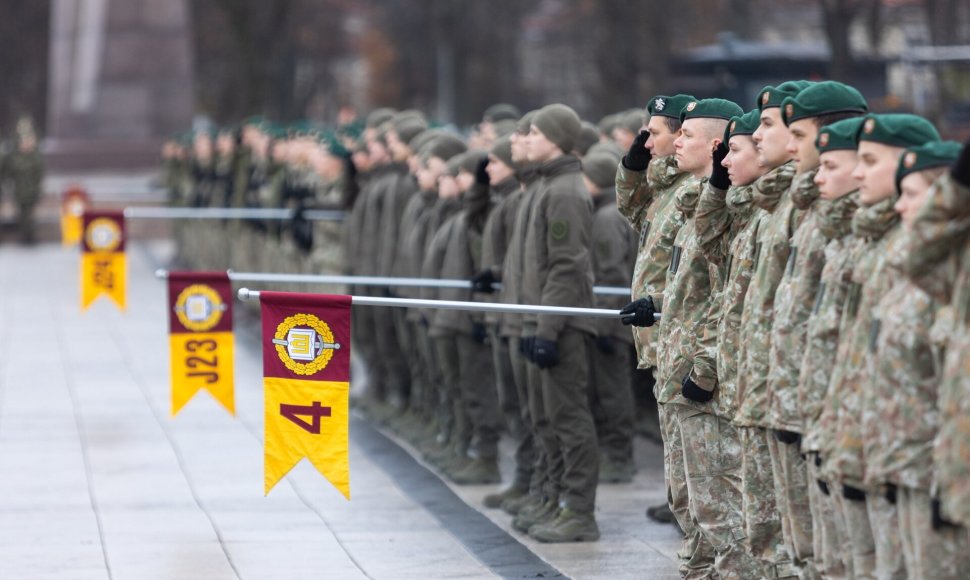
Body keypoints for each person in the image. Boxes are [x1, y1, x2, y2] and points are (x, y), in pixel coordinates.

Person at [828, 113, 941, 580]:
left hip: (926, 465)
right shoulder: (883, 247)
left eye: (869, 162)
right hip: (881, 449)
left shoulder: (935, 266)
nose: (857, 173)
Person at [768, 81, 869, 579]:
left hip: (844, 417)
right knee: (812, 549)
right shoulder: (812, 211)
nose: (790, 147)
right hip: (803, 399)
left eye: (800, 135)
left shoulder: (851, 226)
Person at [867, 140, 969, 578]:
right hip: (939, 468)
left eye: (912, 194)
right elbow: (917, 255)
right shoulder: (957, 265)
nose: (900, 207)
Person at [517, 104, 599, 542]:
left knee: (569, 419)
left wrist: (546, 329)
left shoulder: (565, 190)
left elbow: (566, 267)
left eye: (534, 132)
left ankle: (579, 511)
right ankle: (554, 498)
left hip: (562, 323)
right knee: (548, 418)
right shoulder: (551, 184)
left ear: (554, 138)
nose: (527, 139)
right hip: (545, 319)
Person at [614, 93, 696, 529]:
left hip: (677, 329)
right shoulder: (664, 184)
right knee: (676, 446)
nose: (648, 142)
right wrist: (631, 168)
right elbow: (632, 209)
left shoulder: (694, 188)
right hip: (659, 330)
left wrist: (661, 306)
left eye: (655, 134)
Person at [798, 116, 866, 577]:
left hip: (873, 439)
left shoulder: (869, 242)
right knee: (820, 555)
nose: (818, 177)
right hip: (813, 410)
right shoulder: (826, 225)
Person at [582, 151, 638, 483]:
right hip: (609, 317)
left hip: (609, 320)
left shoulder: (606, 218)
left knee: (613, 390)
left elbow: (612, 275)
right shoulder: (606, 212)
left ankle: (619, 456)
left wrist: (604, 322)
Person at [1, 117, 44, 245]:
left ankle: (28, 236)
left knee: (28, 214)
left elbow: (39, 173)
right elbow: (7, 171)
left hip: (30, 191)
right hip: (20, 190)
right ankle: (25, 235)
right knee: (22, 213)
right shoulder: (13, 155)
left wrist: (38, 188)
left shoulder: (34, 157)